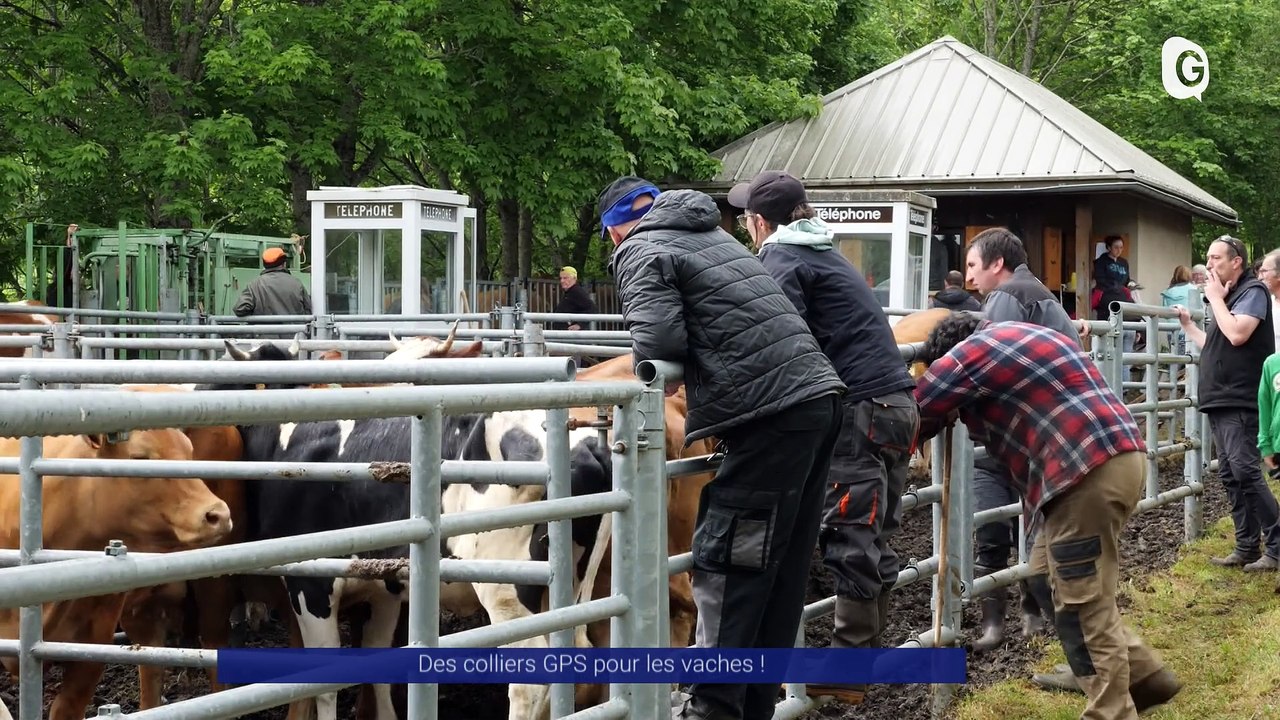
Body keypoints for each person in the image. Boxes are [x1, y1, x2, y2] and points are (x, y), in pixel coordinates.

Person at [599, 174, 846, 720]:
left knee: (733, 557)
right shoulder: (716, 237)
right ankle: (753, 704)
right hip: (816, 402)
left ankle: (712, 707)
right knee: (778, 567)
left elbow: (659, 345)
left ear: (614, 233)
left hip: (770, 413)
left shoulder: (641, 248)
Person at [915, 312, 1182, 720]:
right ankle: (1145, 677)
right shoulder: (1026, 335)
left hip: (1083, 474)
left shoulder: (975, 350)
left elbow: (919, 403)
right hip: (1113, 460)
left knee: (1083, 602)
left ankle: (1111, 711)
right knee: (1042, 573)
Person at [727, 171, 920, 706]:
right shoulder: (826, 253)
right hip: (896, 404)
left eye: (746, 220)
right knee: (876, 528)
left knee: (851, 527)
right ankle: (860, 658)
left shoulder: (782, 260)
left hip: (860, 408)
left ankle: (847, 667)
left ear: (760, 223)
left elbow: (776, 337)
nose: (746, 229)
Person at [961, 227, 1076, 655]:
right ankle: (1029, 614)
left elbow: (992, 361)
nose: (969, 276)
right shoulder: (1039, 294)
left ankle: (1001, 622)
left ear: (996, 264)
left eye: (973, 265)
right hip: (1041, 436)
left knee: (995, 525)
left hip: (1013, 436)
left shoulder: (1008, 297)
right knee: (1031, 529)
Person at [1174, 235, 1280, 571]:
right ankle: (1247, 545)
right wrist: (1190, 326)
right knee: (1231, 475)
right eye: (1207, 259)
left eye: (1216, 258)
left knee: (1246, 470)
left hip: (1241, 396)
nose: (1209, 266)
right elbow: (1217, 344)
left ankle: (1277, 545)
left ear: (1237, 261)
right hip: (1220, 397)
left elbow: (1238, 334)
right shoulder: (1231, 297)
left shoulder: (1252, 292)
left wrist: (1215, 299)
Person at [233, 247, 312, 321]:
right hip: (294, 334)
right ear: (284, 264)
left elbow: (240, 309)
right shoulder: (297, 284)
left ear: (264, 265)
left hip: (264, 334)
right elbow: (308, 311)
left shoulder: (255, 285)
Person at [551, 266, 597, 331]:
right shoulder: (569, 292)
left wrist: (579, 325)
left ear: (574, 278)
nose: (562, 281)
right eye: (561, 278)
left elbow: (592, 308)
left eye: (565, 278)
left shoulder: (577, 292)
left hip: (571, 336)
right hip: (564, 334)